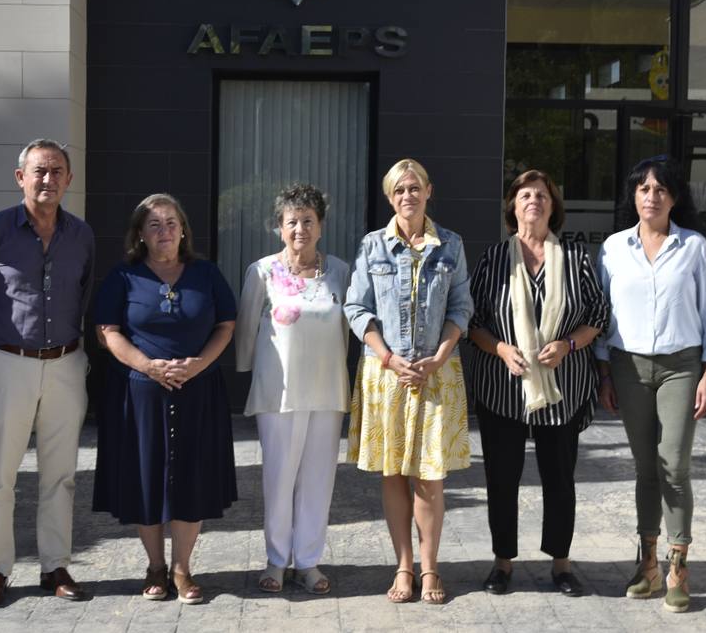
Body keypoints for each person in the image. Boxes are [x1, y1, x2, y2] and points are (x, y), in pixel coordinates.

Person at [0, 139, 95, 608]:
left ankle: (54, 566)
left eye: (57, 171)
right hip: (7, 364)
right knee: (0, 475)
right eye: (39, 171)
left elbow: (85, 294)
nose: (48, 179)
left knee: (61, 475)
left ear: (69, 180)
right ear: (21, 177)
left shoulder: (81, 236)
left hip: (66, 364)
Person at [467, 170, 609, 597]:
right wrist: (500, 350)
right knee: (502, 478)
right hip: (503, 387)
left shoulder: (577, 257)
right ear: (513, 206)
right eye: (525, 194)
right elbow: (473, 322)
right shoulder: (494, 257)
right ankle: (502, 562)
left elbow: (598, 317)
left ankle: (561, 564)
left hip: (561, 388)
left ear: (553, 204)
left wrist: (568, 344)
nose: (534, 200)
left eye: (542, 195)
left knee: (559, 480)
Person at [93, 194, 237, 605]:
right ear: (140, 233)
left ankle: (182, 569)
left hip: (198, 391)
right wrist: (149, 366)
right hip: (140, 393)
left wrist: (198, 365)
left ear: (183, 229)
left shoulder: (205, 273)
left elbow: (226, 325)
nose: (164, 232)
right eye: (154, 224)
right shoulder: (123, 277)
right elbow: (109, 332)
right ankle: (155, 566)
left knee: (191, 479)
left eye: (171, 223)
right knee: (146, 478)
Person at [595, 156, 706, 613]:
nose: (652, 196)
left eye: (661, 189)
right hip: (628, 367)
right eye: (644, 189)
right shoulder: (612, 248)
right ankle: (647, 564)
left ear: (674, 197)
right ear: (633, 195)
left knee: (674, 465)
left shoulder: (693, 247)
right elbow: (601, 316)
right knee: (645, 467)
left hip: (681, 366)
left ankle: (678, 567)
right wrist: (605, 372)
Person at [344, 158, 473, 605]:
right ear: (390, 197)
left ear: (429, 191)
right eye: (399, 190)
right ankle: (403, 566)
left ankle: (431, 566)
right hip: (387, 376)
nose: (408, 196)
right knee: (395, 474)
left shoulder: (451, 245)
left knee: (430, 478)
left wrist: (439, 356)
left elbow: (461, 308)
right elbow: (357, 309)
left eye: (414, 188)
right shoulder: (372, 246)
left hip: (436, 376)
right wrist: (388, 357)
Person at [235, 184, 350, 596]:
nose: (300, 228)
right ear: (279, 228)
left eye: (308, 221)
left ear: (320, 227)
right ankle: (276, 560)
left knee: (320, 478)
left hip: (328, 389)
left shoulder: (339, 270)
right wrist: (246, 375)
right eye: (292, 222)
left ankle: (309, 561)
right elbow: (247, 331)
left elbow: (347, 328)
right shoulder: (262, 271)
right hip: (278, 392)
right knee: (279, 477)